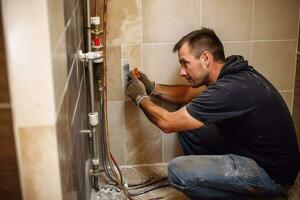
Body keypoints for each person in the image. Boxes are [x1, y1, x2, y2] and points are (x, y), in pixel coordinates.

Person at [126, 28, 300, 199]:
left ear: (206, 58)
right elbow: (187, 95)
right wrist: (152, 87)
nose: (182, 72)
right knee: (188, 125)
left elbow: (168, 123)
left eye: (185, 63)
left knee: (178, 171)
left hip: (272, 175)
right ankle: (219, 179)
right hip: (254, 153)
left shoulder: (229, 90)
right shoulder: (230, 76)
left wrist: (140, 97)